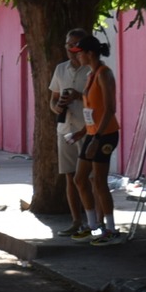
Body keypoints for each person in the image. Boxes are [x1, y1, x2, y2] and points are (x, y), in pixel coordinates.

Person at [69, 32, 123, 242]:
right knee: (80, 178)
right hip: (93, 134)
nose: (77, 56)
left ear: (90, 53)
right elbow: (93, 109)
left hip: (105, 135)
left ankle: (110, 229)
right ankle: (92, 226)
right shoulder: (91, 74)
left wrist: (97, 138)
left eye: (79, 52)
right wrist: (82, 132)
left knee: (98, 181)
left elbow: (110, 108)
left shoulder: (104, 74)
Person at [49, 31, 93, 238]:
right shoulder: (60, 69)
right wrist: (57, 107)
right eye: (68, 44)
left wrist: (79, 97)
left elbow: (100, 100)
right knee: (70, 176)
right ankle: (76, 221)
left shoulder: (91, 68)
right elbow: (53, 99)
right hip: (65, 128)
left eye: (74, 44)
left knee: (91, 177)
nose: (70, 48)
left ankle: (95, 221)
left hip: (87, 129)